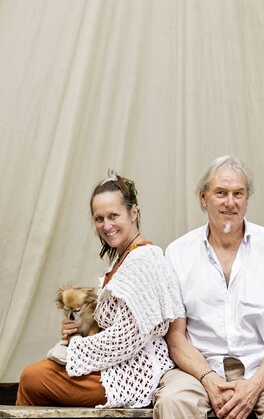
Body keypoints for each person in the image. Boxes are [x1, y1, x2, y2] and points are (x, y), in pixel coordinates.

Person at [153, 155, 264, 419]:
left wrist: (255, 385)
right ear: (204, 198)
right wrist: (209, 379)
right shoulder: (178, 253)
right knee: (172, 401)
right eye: (221, 193)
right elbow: (176, 336)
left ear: (247, 199)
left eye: (238, 194)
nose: (230, 202)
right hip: (199, 371)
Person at [17, 173, 184, 407]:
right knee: (35, 376)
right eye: (99, 218)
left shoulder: (144, 259)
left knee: (32, 378)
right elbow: (112, 326)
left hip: (133, 373)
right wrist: (80, 329)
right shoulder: (124, 259)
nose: (106, 226)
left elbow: (127, 339)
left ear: (133, 212)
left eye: (113, 216)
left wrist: (74, 350)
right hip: (117, 364)